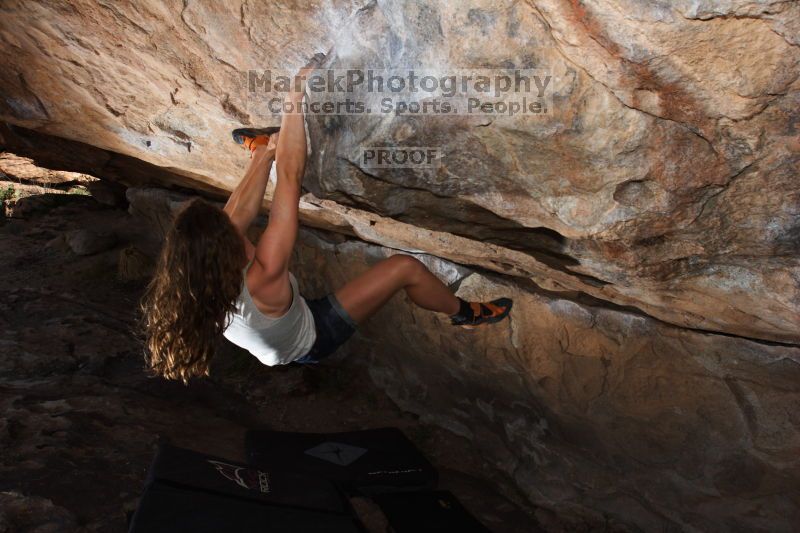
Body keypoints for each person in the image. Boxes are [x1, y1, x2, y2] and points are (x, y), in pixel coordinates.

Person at [140, 62, 512, 383]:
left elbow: (233, 220)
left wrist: (274, 150)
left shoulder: (191, 273)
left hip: (275, 321)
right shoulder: (263, 276)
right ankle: (466, 313)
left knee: (226, 222)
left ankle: (262, 150)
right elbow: (291, 177)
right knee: (405, 268)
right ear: (226, 251)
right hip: (311, 338)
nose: (229, 223)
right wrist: (294, 97)